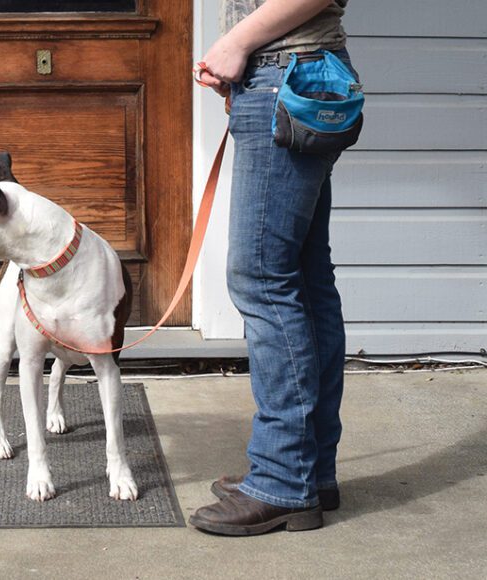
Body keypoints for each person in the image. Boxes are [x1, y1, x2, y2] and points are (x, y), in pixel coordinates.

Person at [189, 0, 359, 536]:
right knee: (305, 282)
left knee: (262, 279)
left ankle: (283, 481)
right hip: (293, 73)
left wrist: (238, 43)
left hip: (286, 74)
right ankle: (309, 472)